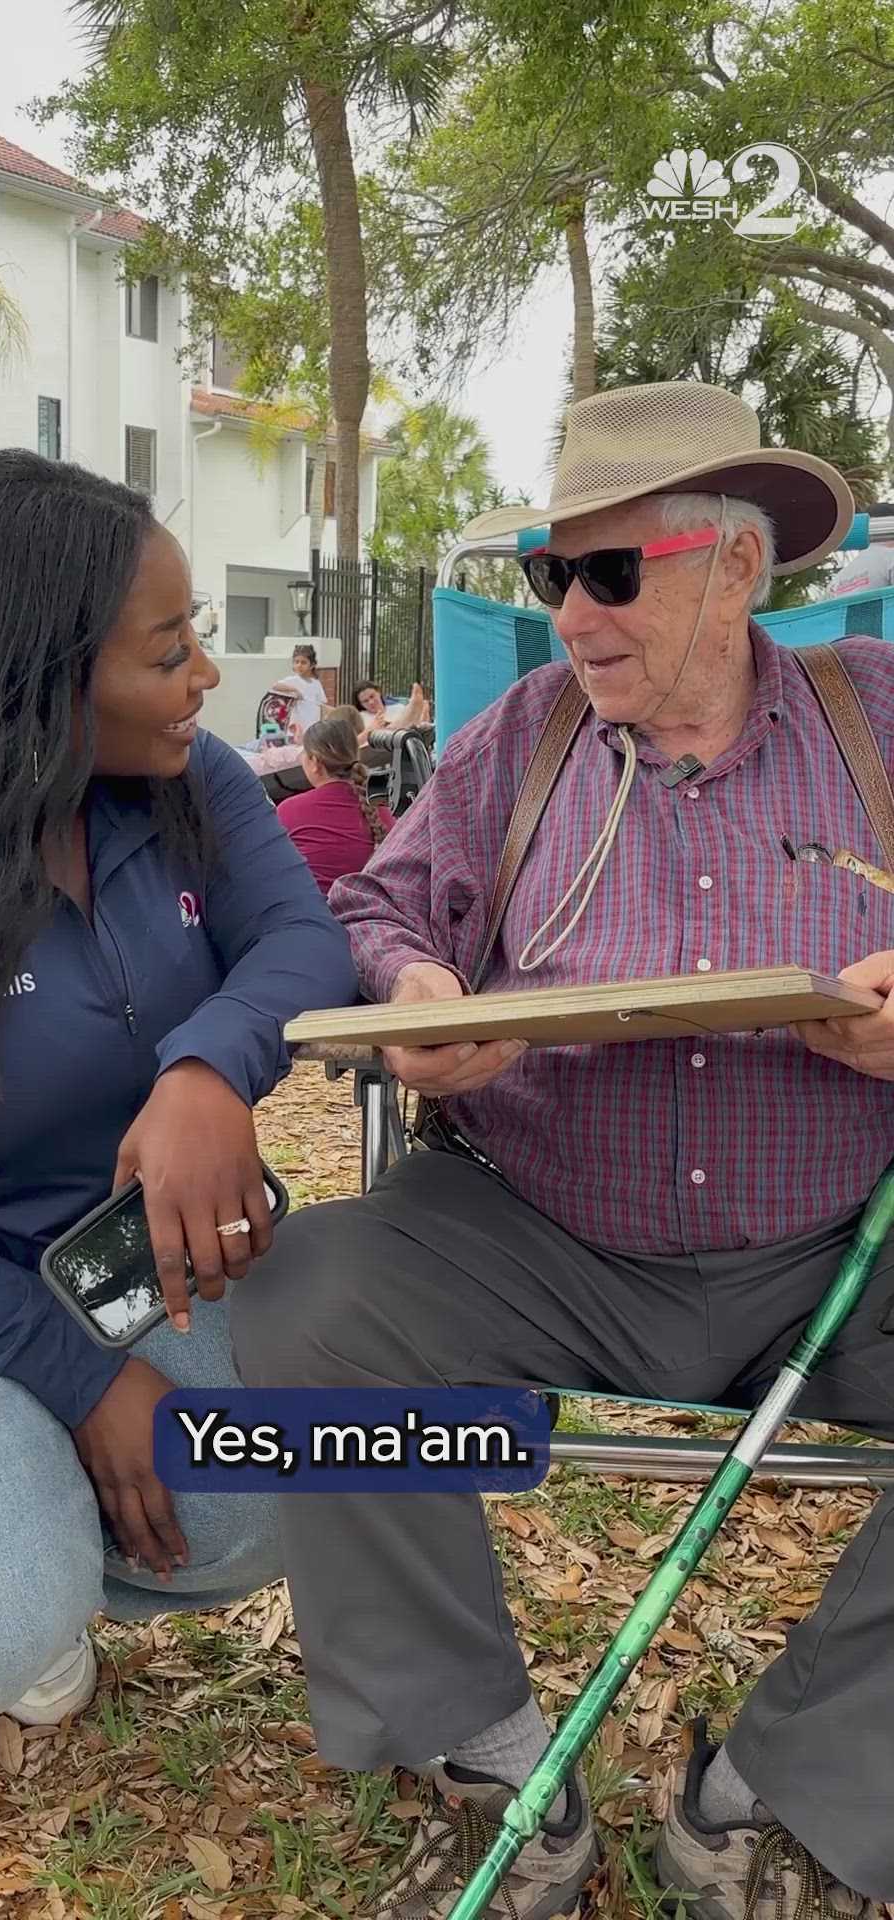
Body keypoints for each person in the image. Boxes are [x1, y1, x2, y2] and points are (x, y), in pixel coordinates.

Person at [232, 382, 894, 1918]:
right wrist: (416, 993)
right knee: (313, 1304)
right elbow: (380, 912)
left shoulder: (874, 716)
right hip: (539, 1239)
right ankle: (490, 1764)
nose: (572, 619)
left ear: (736, 569)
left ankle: (788, 1782)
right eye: (552, 577)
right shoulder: (518, 741)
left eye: (611, 575)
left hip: (835, 1251)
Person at [0, 450, 358, 1778]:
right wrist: (82, 1382)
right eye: (167, 649)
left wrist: (207, 1067)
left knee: (272, 1497)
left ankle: (11, 1529)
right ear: (34, 678)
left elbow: (299, 940)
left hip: (104, 1262)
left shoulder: (191, 781)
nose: (205, 679)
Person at [276, 713, 396, 894]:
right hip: (368, 914)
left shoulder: (289, 810)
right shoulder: (379, 806)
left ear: (315, 762)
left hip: (312, 915)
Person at [269, 642, 328, 740]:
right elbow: (275, 686)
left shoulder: (316, 683)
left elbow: (321, 705)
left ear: (312, 665)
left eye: (303, 662)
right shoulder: (293, 681)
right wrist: (294, 690)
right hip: (297, 730)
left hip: (312, 728)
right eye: (296, 662)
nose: (299, 665)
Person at [353, 677, 430, 732]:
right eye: (365, 701)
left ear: (378, 692)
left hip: (407, 746)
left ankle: (417, 716)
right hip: (381, 749)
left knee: (419, 726)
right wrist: (373, 727)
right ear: (361, 704)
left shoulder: (398, 708)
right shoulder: (361, 717)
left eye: (372, 696)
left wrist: (425, 714)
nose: (371, 702)